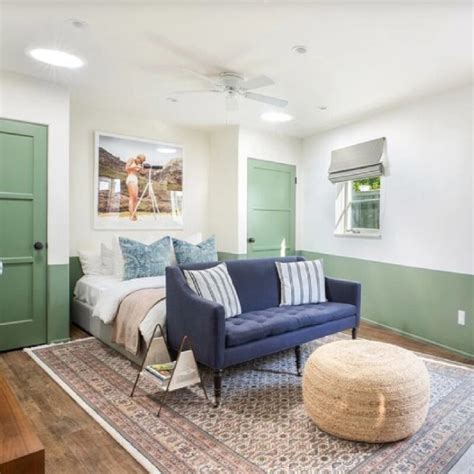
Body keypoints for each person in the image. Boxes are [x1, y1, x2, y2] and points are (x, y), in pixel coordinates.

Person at [125, 154, 146, 220]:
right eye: (140, 160)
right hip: (130, 178)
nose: (140, 162)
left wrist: (147, 170)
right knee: (132, 197)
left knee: (136, 198)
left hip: (135, 179)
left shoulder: (139, 165)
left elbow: (142, 173)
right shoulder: (131, 159)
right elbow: (126, 168)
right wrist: (135, 167)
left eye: (141, 161)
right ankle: (131, 215)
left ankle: (134, 214)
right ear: (138, 157)